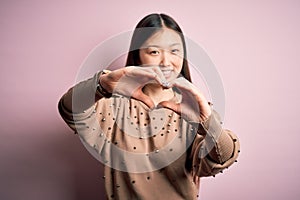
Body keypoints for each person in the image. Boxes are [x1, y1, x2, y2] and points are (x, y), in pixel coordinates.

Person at [58, 13, 240, 200]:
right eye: (154, 52)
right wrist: (102, 85)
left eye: (175, 51)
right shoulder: (112, 106)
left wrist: (208, 122)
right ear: (137, 57)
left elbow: (222, 158)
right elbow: (69, 109)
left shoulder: (194, 110)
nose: (166, 62)